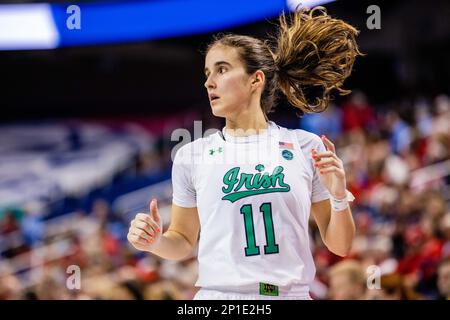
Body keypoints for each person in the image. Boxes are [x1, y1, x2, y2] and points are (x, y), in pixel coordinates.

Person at [128, 7, 361, 300]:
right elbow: (183, 240)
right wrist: (155, 242)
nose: (209, 82)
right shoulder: (192, 156)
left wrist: (339, 196)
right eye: (207, 73)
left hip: (290, 295)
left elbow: (341, 246)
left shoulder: (305, 147)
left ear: (256, 80)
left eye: (222, 69)